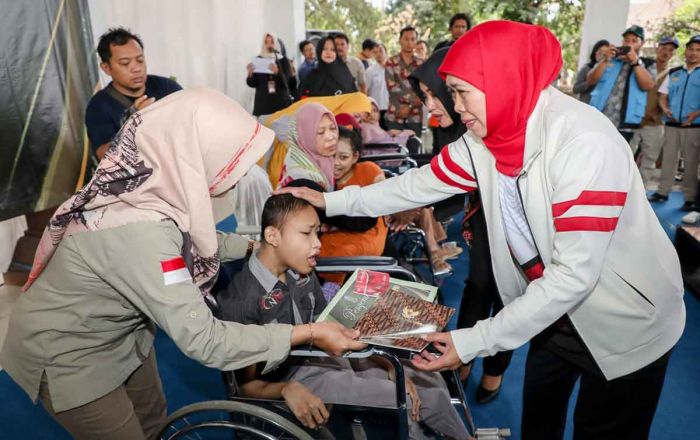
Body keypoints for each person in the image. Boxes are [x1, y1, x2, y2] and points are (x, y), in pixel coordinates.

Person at [280, 21, 685, 440]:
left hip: (623, 318)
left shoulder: (583, 143)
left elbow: (574, 275)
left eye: (460, 91)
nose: (455, 107)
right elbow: (417, 184)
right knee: (540, 419)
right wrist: (331, 201)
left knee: (602, 429)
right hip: (551, 314)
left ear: (502, 81)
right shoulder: (490, 134)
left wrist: (472, 341)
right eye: (451, 92)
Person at [0, 88, 365, 440]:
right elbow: (205, 339)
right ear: (197, 152)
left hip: (122, 333)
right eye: (232, 159)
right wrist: (311, 332)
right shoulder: (144, 234)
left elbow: (191, 241)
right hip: (68, 352)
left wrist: (255, 245)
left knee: (155, 420)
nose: (240, 173)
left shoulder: (149, 184)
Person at [218, 193, 470, 439]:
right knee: (395, 396)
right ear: (272, 235)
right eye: (306, 233)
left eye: (317, 232)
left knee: (426, 377)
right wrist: (286, 388)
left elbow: (325, 323)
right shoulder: (242, 301)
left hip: (323, 352)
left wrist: (382, 363)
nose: (317, 243)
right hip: (291, 378)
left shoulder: (299, 272)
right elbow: (245, 387)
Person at [409, 47, 511, 402]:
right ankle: (464, 358)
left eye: (435, 95)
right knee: (478, 284)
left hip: (515, 222)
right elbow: (439, 174)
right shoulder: (453, 125)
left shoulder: (495, 124)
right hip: (483, 214)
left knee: (508, 296)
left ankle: (494, 371)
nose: (430, 106)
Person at [85, 27, 181, 160]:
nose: (136, 68)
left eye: (140, 60)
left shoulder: (167, 87)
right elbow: (104, 156)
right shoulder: (99, 106)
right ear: (106, 68)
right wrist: (134, 124)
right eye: (125, 63)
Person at [648, 35, 700, 210]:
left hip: (693, 126)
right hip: (671, 124)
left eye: (698, 50)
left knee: (690, 163)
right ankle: (663, 191)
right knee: (668, 160)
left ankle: (689, 198)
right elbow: (663, 95)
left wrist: (696, 114)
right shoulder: (674, 72)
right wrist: (665, 109)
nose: (693, 53)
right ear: (686, 51)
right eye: (691, 49)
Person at [319, 127, 388, 259]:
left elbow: (386, 194)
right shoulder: (323, 180)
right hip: (335, 237)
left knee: (344, 253)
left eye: (343, 157)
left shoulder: (368, 170)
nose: (336, 163)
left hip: (369, 235)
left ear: (355, 157)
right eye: (331, 156)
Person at [587, 25, 656, 142]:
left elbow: (648, 85)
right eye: (626, 40)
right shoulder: (609, 59)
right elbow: (591, 80)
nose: (629, 44)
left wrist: (635, 63)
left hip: (625, 125)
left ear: (642, 43)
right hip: (600, 118)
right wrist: (605, 60)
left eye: (634, 41)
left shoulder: (647, 63)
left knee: (617, 158)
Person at [632, 36, 679, 185]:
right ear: (657, 48)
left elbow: (671, 99)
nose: (666, 52)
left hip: (654, 123)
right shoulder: (643, 66)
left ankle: (641, 190)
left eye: (670, 50)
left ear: (673, 54)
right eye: (664, 48)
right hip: (633, 120)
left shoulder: (674, 74)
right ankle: (620, 189)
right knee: (625, 155)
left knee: (649, 160)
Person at [385, 26, 425, 137]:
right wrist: (411, 101)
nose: (409, 42)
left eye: (412, 39)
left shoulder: (422, 64)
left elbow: (424, 89)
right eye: (406, 39)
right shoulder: (391, 62)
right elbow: (392, 87)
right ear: (400, 40)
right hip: (395, 113)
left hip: (415, 116)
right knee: (394, 151)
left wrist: (410, 105)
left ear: (416, 41)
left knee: (414, 150)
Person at [246, 33, 297, 116]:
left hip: (280, 104)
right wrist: (250, 74)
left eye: (272, 42)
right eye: (266, 42)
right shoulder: (258, 59)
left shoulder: (283, 61)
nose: (269, 45)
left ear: (276, 44)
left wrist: (277, 72)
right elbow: (252, 84)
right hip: (263, 105)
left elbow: (288, 84)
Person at [572, 39, 610, 104]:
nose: (601, 54)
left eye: (604, 52)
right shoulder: (586, 68)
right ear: (595, 52)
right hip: (585, 106)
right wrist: (589, 82)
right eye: (599, 51)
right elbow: (575, 89)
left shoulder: (609, 70)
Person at [366, 43, 390, 126]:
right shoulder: (370, 71)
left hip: (391, 109)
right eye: (375, 52)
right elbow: (365, 90)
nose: (378, 54)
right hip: (376, 110)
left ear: (386, 52)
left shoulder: (393, 69)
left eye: (380, 51)